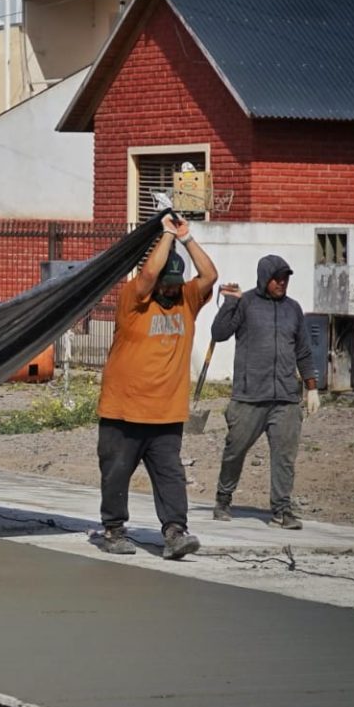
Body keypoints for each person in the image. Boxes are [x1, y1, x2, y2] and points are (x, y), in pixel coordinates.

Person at [96, 213, 218, 560]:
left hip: (165, 413)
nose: (170, 288)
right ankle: (114, 531)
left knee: (170, 476)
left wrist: (187, 238)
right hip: (124, 410)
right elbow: (148, 275)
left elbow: (210, 275)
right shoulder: (134, 303)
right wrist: (165, 235)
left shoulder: (187, 301)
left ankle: (176, 532)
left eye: (174, 283)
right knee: (116, 474)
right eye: (166, 282)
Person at [210, 256, 319, 530]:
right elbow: (219, 332)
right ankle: (223, 498)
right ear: (264, 278)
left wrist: (311, 388)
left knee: (284, 457)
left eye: (285, 278)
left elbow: (304, 351)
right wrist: (230, 302)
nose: (282, 283)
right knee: (235, 451)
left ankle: (282, 510)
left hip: (285, 398)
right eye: (276, 278)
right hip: (249, 397)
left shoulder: (293, 309)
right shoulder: (246, 303)